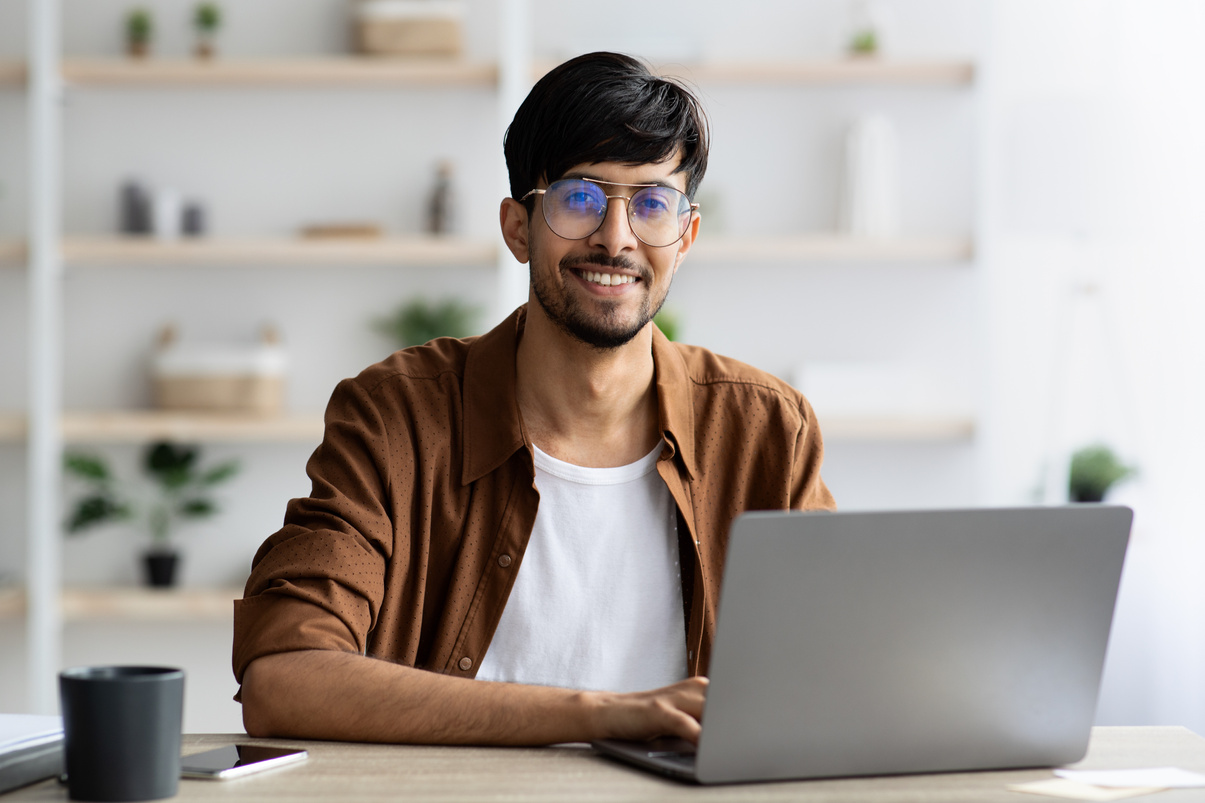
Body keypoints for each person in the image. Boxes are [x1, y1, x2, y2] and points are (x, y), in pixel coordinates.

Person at [234, 51, 835, 746]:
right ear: (518, 228)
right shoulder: (396, 416)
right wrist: (597, 714)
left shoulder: (765, 427)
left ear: (686, 234)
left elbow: (834, 676)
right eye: (579, 198)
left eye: (650, 203)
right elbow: (283, 679)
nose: (615, 237)